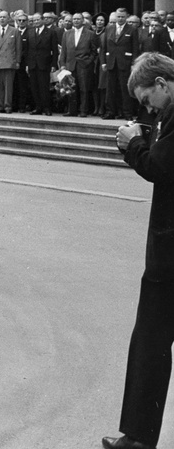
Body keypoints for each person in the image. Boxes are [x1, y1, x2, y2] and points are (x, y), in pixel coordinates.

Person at [105, 53, 174, 449]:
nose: (147, 107)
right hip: (168, 249)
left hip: (171, 253)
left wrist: (132, 145)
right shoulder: (169, 112)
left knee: (150, 340)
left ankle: (138, 437)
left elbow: (160, 169)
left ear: (163, 83)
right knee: (149, 341)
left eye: (149, 98)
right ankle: (137, 436)